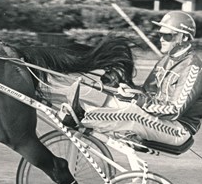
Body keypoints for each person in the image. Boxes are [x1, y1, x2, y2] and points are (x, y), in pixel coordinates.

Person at [80, 11, 202, 147]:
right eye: (160, 34)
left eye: (167, 35)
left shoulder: (192, 68)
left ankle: (83, 116)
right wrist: (129, 90)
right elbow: (146, 93)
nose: (161, 39)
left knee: (132, 114)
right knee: (113, 101)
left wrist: (137, 100)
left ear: (184, 37)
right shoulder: (165, 61)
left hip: (178, 129)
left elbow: (174, 111)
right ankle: (82, 110)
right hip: (159, 121)